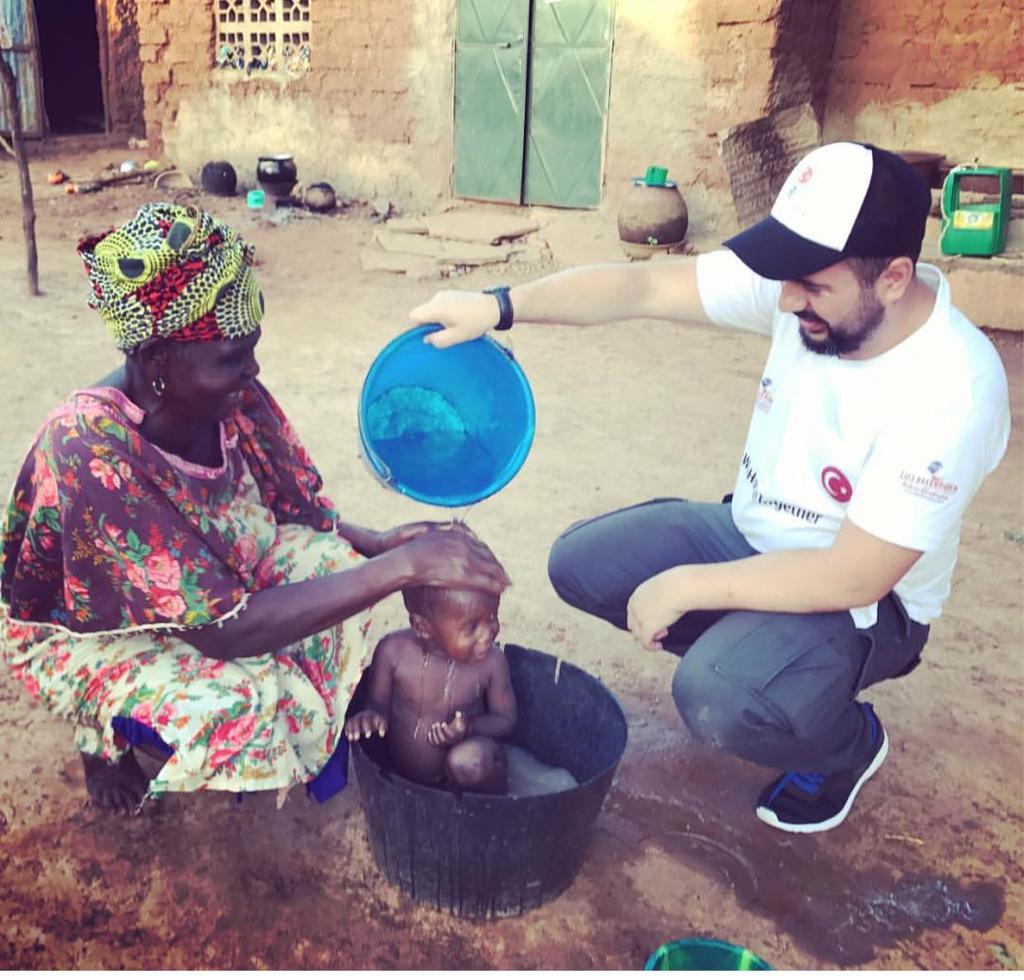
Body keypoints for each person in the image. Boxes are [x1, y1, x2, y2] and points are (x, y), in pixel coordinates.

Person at [407, 142, 1011, 834]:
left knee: (715, 698)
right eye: (785, 280)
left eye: (811, 286)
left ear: (895, 278)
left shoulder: (954, 390)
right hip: (754, 535)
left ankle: (846, 741)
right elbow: (644, 286)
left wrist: (691, 586)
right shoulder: (809, 286)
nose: (786, 302)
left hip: (872, 603)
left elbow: (855, 575)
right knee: (580, 564)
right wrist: (498, 306)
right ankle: (762, 652)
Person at [0, 202, 509, 815]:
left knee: (338, 565)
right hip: (99, 629)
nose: (253, 370)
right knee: (242, 700)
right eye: (233, 358)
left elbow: (285, 507)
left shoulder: (224, 396)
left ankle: (302, 710)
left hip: (209, 582)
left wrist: (377, 545)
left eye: (250, 350)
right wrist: (405, 568)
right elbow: (225, 632)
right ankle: (100, 731)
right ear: (158, 361)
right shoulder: (90, 449)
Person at [344, 584, 516, 793]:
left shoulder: (492, 662)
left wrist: (468, 729)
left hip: (472, 775)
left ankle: (491, 810)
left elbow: (506, 720)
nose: (488, 633)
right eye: (472, 627)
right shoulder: (393, 653)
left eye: (492, 617)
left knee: (466, 760)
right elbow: (376, 704)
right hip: (404, 780)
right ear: (422, 627)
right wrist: (371, 717)